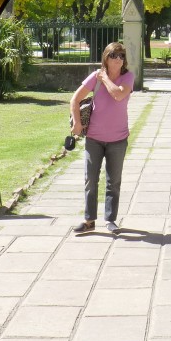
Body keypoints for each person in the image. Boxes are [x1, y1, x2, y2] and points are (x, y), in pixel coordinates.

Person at [69, 41, 134, 236]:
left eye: (121, 56)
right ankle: (89, 221)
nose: (118, 59)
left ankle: (111, 220)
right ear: (106, 57)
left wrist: (105, 77)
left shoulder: (127, 77)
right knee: (91, 179)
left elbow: (118, 95)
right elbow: (75, 99)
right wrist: (77, 123)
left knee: (113, 181)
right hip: (94, 139)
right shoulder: (94, 78)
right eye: (114, 55)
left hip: (118, 138)